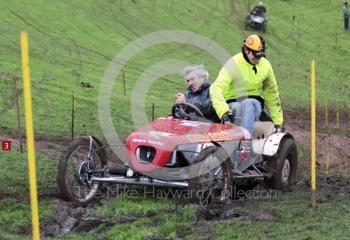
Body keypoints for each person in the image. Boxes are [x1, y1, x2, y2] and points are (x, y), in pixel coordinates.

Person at [210, 34, 283, 135]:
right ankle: (233, 138)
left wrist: (278, 122)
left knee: (249, 103)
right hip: (232, 104)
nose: (258, 59)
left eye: (260, 55)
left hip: (254, 103)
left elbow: (272, 93)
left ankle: (244, 140)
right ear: (246, 50)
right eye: (255, 55)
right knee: (238, 106)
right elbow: (216, 88)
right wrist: (224, 113)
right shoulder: (233, 63)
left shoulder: (266, 65)